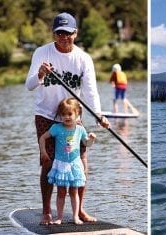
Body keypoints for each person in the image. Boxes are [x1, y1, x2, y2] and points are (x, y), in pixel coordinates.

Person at [25, 12, 110, 225]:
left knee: (80, 163)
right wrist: (41, 74)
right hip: (45, 114)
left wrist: (98, 114)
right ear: (54, 33)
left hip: (73, 117)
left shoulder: (83, 59)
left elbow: (91, 91)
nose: (64, 37)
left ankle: (79, 209)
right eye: (59, 33)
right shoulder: (41, 52)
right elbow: (29, 85)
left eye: (68, 33)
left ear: (76, 33)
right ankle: (47, 211)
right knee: (49, 161)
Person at [39, 98, 96, 225]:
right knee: (61, 192)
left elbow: (86, 143)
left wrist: (91, 139)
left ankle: (76, 216)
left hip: (75, 165)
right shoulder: (57, 128)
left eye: (70, 114)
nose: (66, 117)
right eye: (63, 114)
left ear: (77, 114)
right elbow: (43, 138)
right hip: (61, 165)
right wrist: (43, 152)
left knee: (74, 191)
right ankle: (59, 217)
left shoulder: (80, 129)